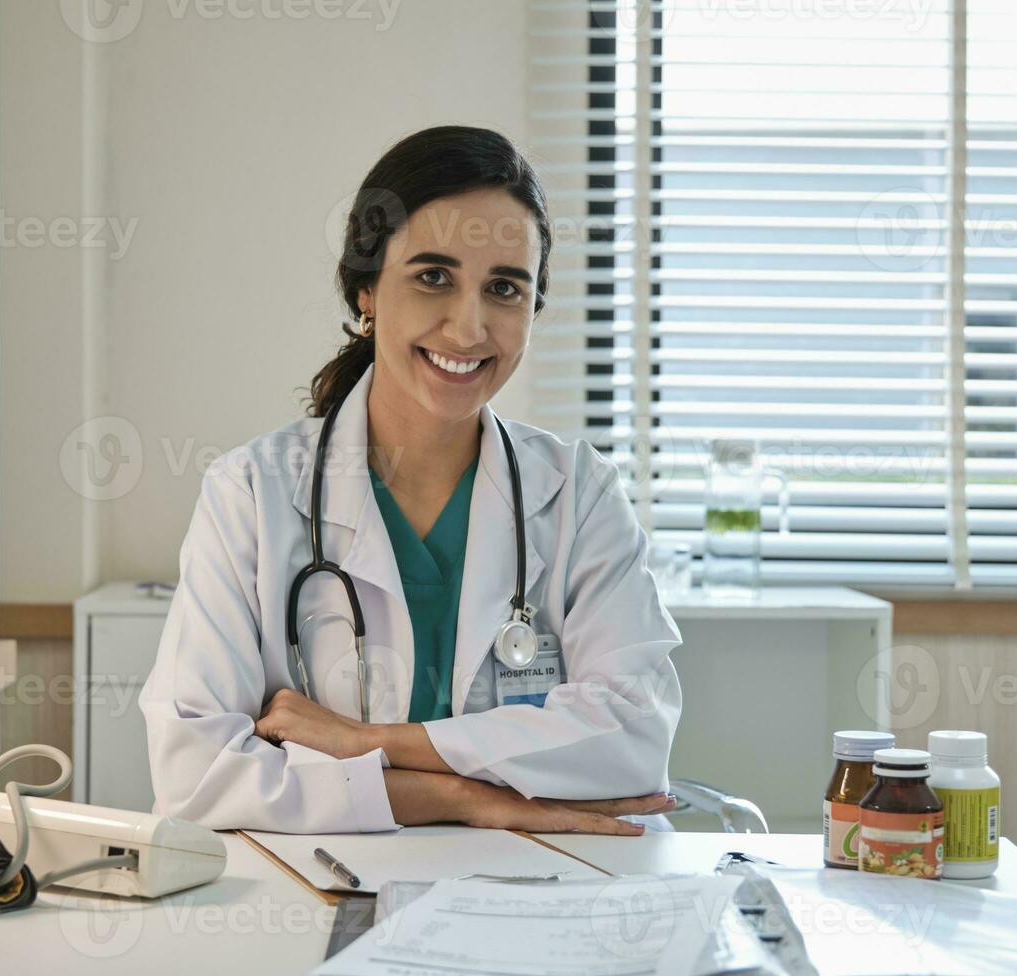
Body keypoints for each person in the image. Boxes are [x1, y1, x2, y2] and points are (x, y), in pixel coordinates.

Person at [140, 125, 682, 835]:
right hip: (325, 894)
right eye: (434, 277)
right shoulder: (253, 493)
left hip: (541, 891)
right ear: (366, 291)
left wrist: (371, 747)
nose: (468, 327)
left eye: (504, 288)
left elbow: (635, 737)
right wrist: (469, 799)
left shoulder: (578, 493)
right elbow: (197, 774)